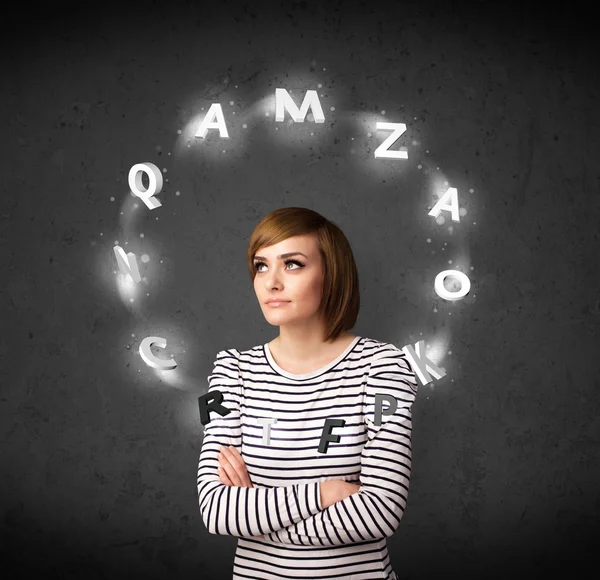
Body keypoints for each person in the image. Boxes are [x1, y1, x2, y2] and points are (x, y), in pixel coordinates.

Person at [197, 207, 418, 579]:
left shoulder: (385, 368)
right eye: (261, 265)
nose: (271, 282)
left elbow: (381, 511)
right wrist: (325, 493)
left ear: (331, 275)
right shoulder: (229, 372)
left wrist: (257, 518)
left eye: (293, 264)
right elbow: (215, 510)